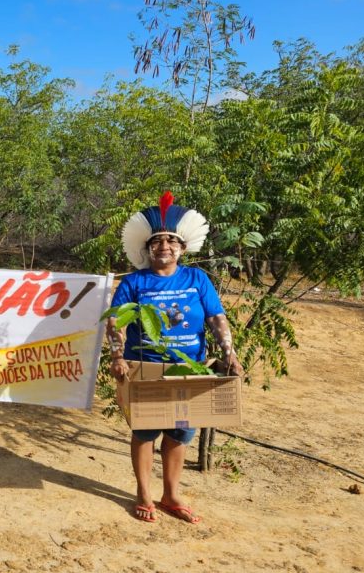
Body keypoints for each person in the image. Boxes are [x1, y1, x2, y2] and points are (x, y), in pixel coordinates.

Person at [106, 191, 244, 525]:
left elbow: (216, 318)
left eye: (171, 241)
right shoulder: (134, 282)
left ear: (182, 248)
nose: (164, 246)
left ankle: (170, 493)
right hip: (147, 366)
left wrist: (230, 353)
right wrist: (117, 355)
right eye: (157, 241)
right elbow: (117, 321)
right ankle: (143, 492)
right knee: (145, 431)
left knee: (181, 431)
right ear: (147, 248)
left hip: (189, 367)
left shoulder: (197, 279)